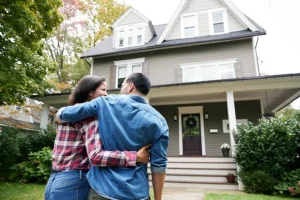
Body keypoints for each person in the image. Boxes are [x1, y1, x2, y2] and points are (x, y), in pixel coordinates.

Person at [57, 73, 169, 200]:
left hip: (103, 190)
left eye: (122, 85)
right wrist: (158, 198)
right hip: (137, 193)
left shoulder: (105, 103)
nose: (120, 90)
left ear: (131, 86)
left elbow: (65, 113)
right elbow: (159, 165)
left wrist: (59, 114)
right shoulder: (160, 121)